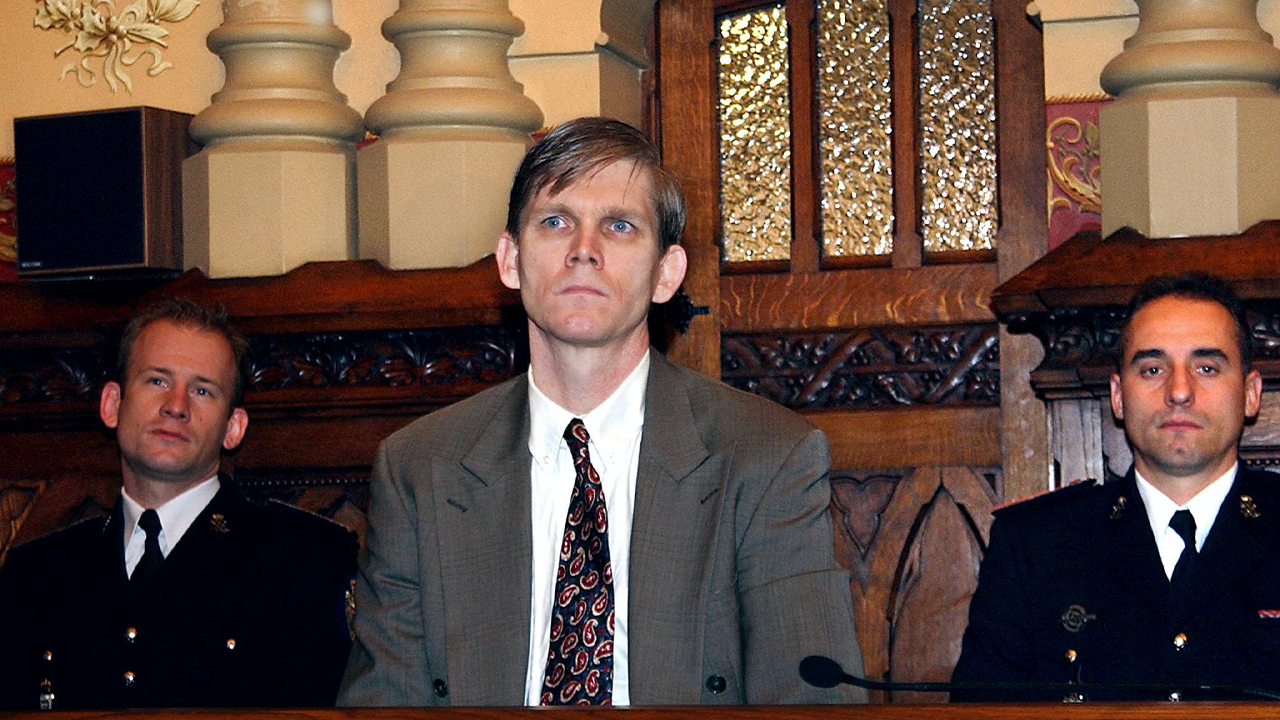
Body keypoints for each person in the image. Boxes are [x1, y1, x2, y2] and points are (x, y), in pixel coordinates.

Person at [339, 118, 864, 706]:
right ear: (510, 260)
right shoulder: (419, 468)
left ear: (665, 274)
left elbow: (811, 709)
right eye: (556, 222)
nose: (583, 250)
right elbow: (385, 709)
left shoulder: (766, 458)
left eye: (619, 226)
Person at [0, 299, 358, 710]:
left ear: (233, 428)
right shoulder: (38, 572)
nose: (176, 406)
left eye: (202, 390)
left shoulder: (305, 559)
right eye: (157, 381)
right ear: (112, 404)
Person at [952, 272, 1280, 701]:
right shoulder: (1036, 546)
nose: (1179, 391)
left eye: (1206, 368)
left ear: (1251, 393)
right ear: (1119, 396)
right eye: (1152, 369)